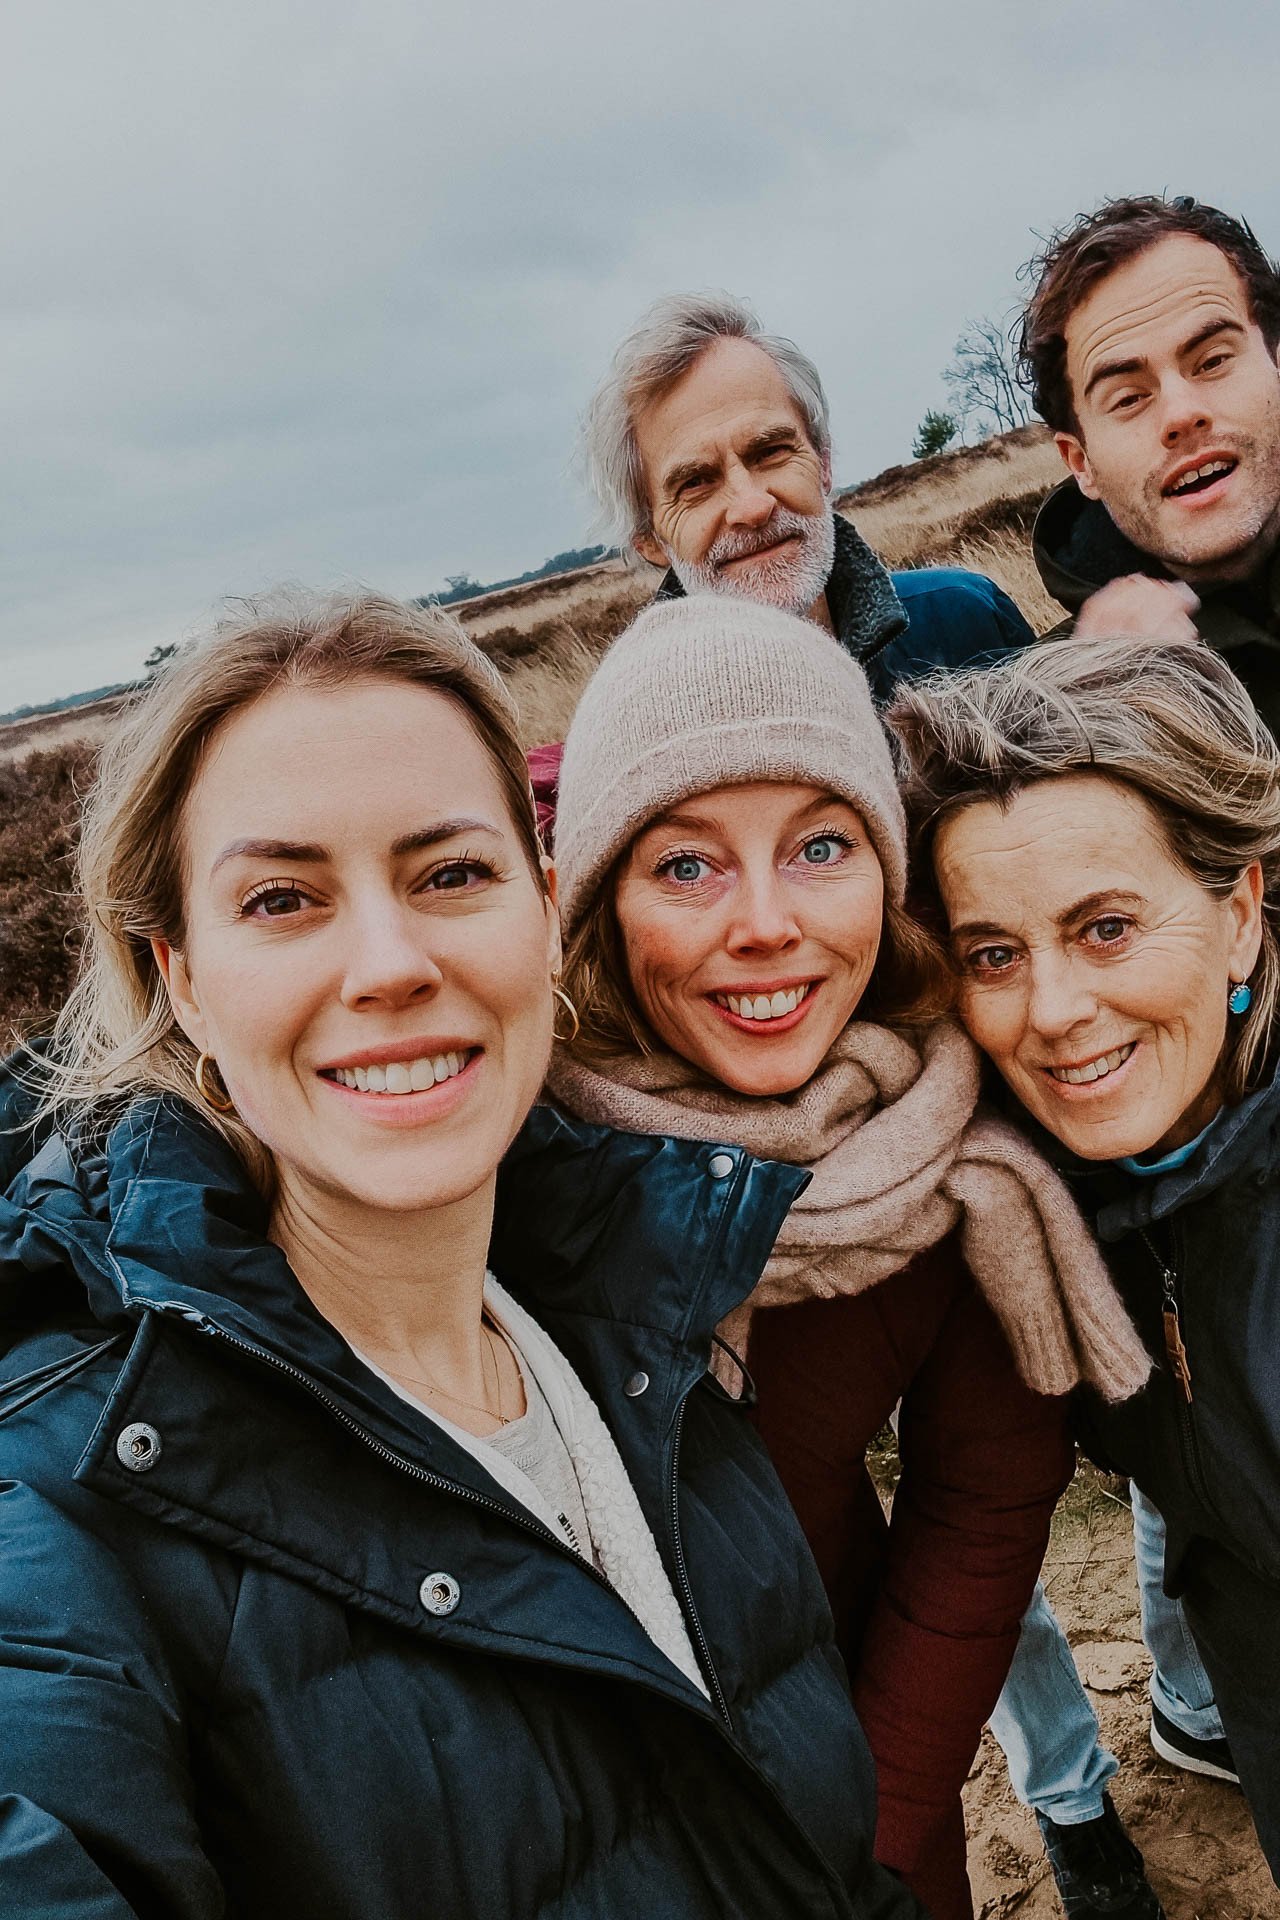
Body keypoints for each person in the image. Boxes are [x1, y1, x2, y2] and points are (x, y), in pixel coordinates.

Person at [0, 590, 931, 1920]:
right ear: (184, 979)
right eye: (282, 898)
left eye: (449, 875)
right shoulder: (65, 1503)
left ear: (544, 909)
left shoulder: (645, 1323)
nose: (390, 964)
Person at [543, 592, 1156, 1920]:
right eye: (687, 865)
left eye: (821, 845)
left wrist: (868, 1827)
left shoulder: (947, 1163)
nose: (766, 923)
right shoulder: (500, 1158)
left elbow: (982, 1500)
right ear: (595, 901)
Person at [891, 633, 1280, 1884]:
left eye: (1105, 927)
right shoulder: (1038, 1208)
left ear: (1236, 916)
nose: (1051, 1011)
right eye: (993, 954)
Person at [582, 291, 1034, 696]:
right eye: (696, 482)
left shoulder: (967, 622)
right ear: (650, 539)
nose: (753, 507)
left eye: (771, 452)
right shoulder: (640, 738)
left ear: (824, 463)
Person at [1020, 195, 1280, 735]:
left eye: (1212, 361)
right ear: (1081, 463)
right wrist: (1112, 735)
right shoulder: (1056, 719)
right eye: (1129, 398)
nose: (1181, 414)